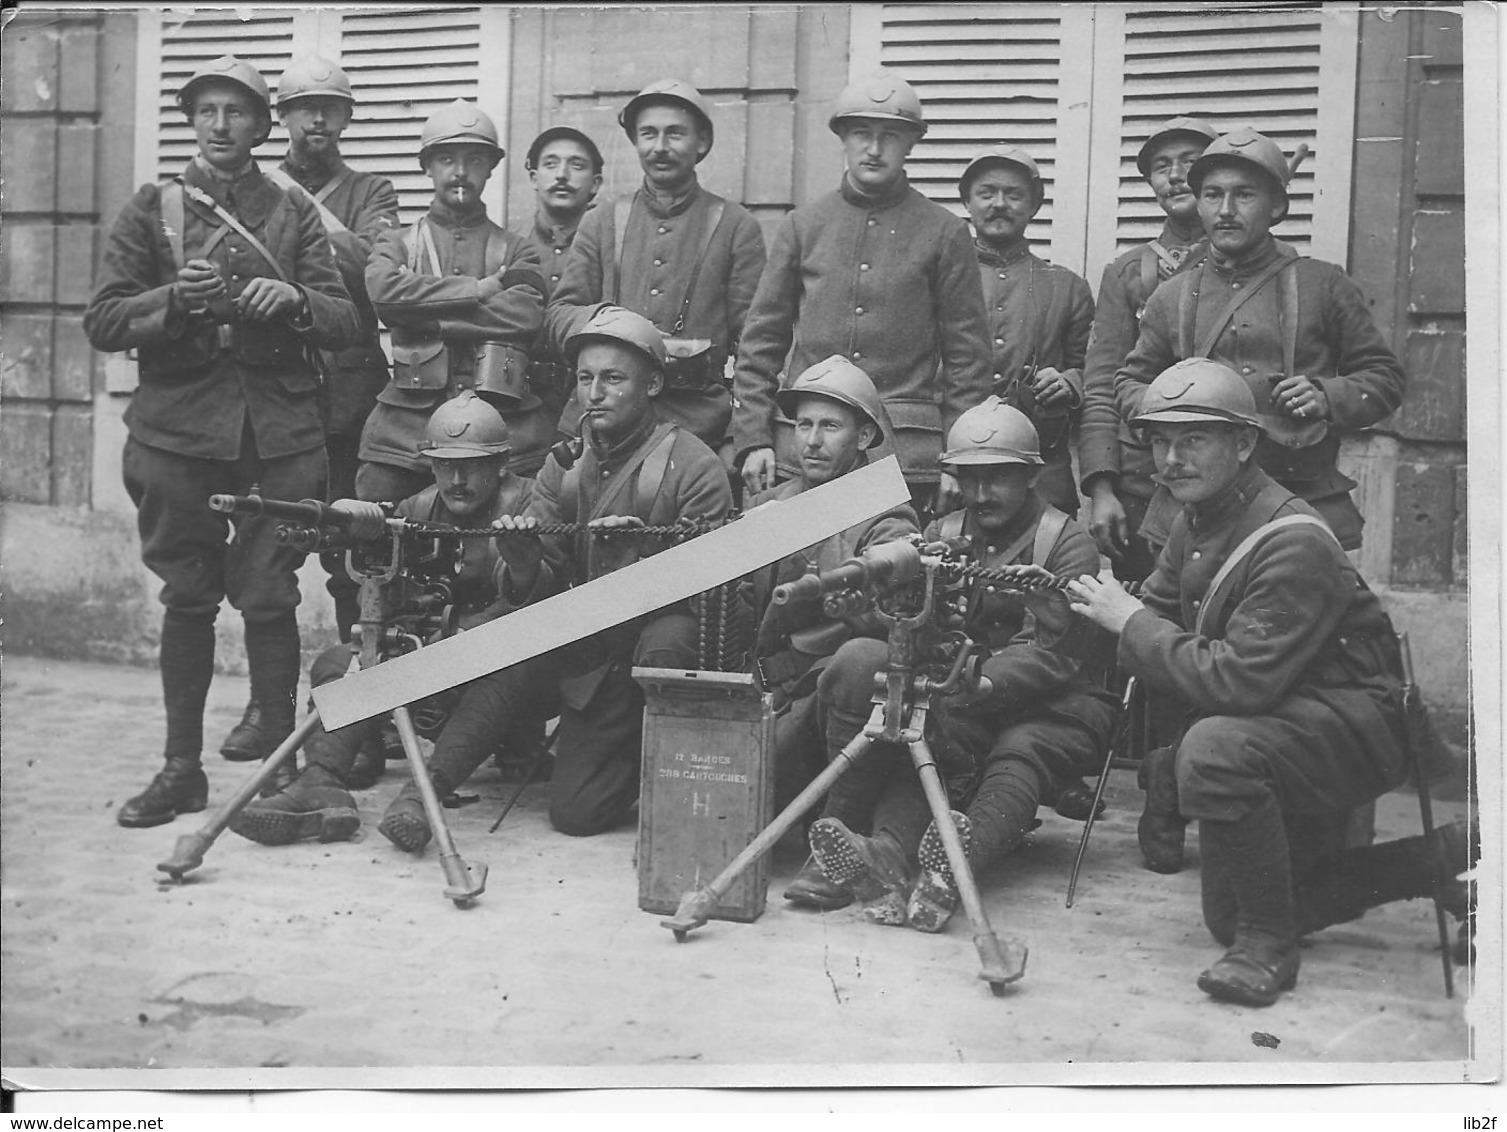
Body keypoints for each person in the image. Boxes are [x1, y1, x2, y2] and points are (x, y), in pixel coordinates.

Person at [1066, 358, 1419, 1006]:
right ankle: (1436, 862)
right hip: (1285, 718)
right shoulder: (1194, 517)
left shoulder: (1292, 537)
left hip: (1353, 724)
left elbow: (1236, 683)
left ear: (1244, 443)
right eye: (1159, 441)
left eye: (1193, 439)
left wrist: (1131, 623)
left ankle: (1268, 950)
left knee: (1213, 747)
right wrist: (1076, 607)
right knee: (1225, 913)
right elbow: (1160, 620)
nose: (1170, 459)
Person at [83, 55, 358, 828]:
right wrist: (173, 300)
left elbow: (344, 320)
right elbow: (103, 320)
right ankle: (181, 769)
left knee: (269, 594)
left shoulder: (293, 210)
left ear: (263, 124)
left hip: (277, 434)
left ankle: (273, 749)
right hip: (177, 434)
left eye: (238, 112)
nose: (221, 125)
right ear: (190, 119)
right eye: (207, 111)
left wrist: (297, 297)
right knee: (188, 598)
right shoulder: (154, 209)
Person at [376, 308, 733, 847]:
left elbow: (719, 602)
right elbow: (538, 584)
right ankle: (422, 797)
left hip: (640, 657)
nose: (595, 393)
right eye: (585, 379)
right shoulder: (563, 465)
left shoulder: (694, 466)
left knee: (578, 815)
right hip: (581, 651)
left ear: (653, 384)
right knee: (513, 643)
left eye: (613, 379)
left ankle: (660, 770)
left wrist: (638, 561)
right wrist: (520, 559)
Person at [805, 397, 1117, 930]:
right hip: (965, 691)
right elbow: (923, 622)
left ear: (1032, 476)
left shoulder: (1067, 543)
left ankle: (951, 866)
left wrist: (981, 683)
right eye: (969, 478)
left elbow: (1051, 654)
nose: (980, 493)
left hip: (1054, 705)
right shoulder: (944, 534)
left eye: (997, 479)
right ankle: (886, 852)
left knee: (1018, 756)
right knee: (923, 742)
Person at [228, 392, 537, 845]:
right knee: (339, 662)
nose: (456, 479)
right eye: (443, 465)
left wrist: (522, 565)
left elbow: (545, 603)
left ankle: (419, 798)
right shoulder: (417, 508)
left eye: (471, 465)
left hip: (512, 682)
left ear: (501, 464)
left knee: (505, 666)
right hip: (439, 664)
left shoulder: (531, 504)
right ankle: (321, 782)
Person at [1114, 127, 1406, 554]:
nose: (1226, 210)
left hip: (1298, 498)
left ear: (1278, 206)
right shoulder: (1172, 294)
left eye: (1244, 195)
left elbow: (1386, 379)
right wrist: (1166, 407)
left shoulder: (1323, 285)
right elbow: (1128, 383)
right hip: (1194, 512)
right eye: (1212, 195)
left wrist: (1325, 395)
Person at [731, 68, 991, 515]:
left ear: (911, 143)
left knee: (888, 569)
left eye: (891, 136)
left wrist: (957, 459)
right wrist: (754, 438)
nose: (874, 148)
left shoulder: (945, 233)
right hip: (802, 451)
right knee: (789, 571)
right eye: (861, 133)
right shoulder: (803, 226)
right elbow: (760, 345)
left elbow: (968, 362)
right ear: (843, 139)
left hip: (903, 454)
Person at [740, 358, 920, 910]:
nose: (811, 442)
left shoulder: (887, 512)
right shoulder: (771, 506)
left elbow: (888, 606)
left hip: (830, 697)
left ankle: (836, 837)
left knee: (861, 660)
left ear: (864, 436)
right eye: (802, 426)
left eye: (830, 426)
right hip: (772, 693)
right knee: (721, 811)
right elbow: (737, 615)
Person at [544, 80, 766, 456]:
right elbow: (558, 316)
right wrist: (611, 322)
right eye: (648, 134)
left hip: (697, 427)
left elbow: (756, 345)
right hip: (601, 426)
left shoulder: (735, 226)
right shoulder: (602, 221)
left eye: (675, 134)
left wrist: (742, 438)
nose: (660, 147)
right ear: (634, 142)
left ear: (702, 143)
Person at [270, 55, 401, 642]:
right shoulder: (254, 189)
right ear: (282, 117)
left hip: (351, 400)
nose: (316, 119)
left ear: (346, 118)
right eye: (303, 108)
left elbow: (368, 273)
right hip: (278, 396)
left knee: (354, 552)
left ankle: (360, 704)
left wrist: (293, 208)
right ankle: (270, 714)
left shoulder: (373, 191)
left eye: (329, 109)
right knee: (269, 555)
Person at [361, 99, 551, 492]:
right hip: (407, 422)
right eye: (447, 159)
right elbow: (383, 295)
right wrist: (476, 291)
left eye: (475, 160)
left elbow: (526, 314)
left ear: (492, 168)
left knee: (526, 514)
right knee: (378, 510)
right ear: (427, 166)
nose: (461, 172)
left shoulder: (518, 249)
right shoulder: (397, 243)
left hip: (505, 417)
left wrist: (426, 317)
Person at [1080, 116, 1218, 579]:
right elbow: (1101, 384)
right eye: (1162, 166)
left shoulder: (1253, 265)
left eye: (1191, 164)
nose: (1176, 176)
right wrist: (1102, 488)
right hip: (1142, 478)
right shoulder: (1126, 273)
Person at [960, 147, 1094, 516]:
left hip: (1040, 472)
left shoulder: (1067, 287)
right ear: (967, 203)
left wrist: (1070, 382)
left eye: (1014, 194)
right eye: (987, 193)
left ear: (1034, 206)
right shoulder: (941, 278)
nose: (999, 204)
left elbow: (1096, 373)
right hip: (956, 468)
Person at [518, 125, 605, 424]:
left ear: (595, 184)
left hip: (584, 403)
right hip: (516, 399)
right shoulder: (508, 246)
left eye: (576, 165)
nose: (562, 175)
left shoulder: (609, 249)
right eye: (550, 164)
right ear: (533, 177)